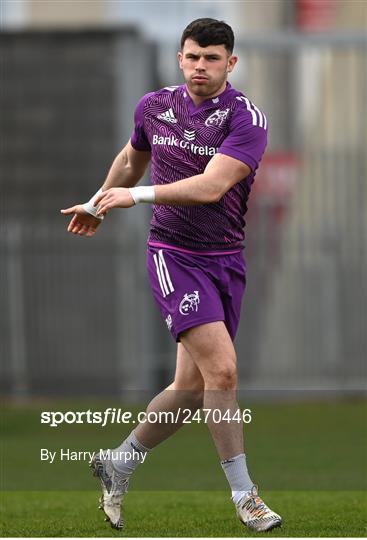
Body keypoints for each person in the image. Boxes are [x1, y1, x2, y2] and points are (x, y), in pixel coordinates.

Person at [61, 18, 282, 533]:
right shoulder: (154, 107)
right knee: (223, 373)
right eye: (191, 56)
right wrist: (99, 201)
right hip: (173, 255)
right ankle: (247, 497)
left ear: (231, 62)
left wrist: (131, 197)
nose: (199, 66)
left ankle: (119, 463)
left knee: (188, 388)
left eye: (211, 58)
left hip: (225, 259)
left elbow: (211, 187)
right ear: (180, 58)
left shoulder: (245, 118)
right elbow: (131, 159)